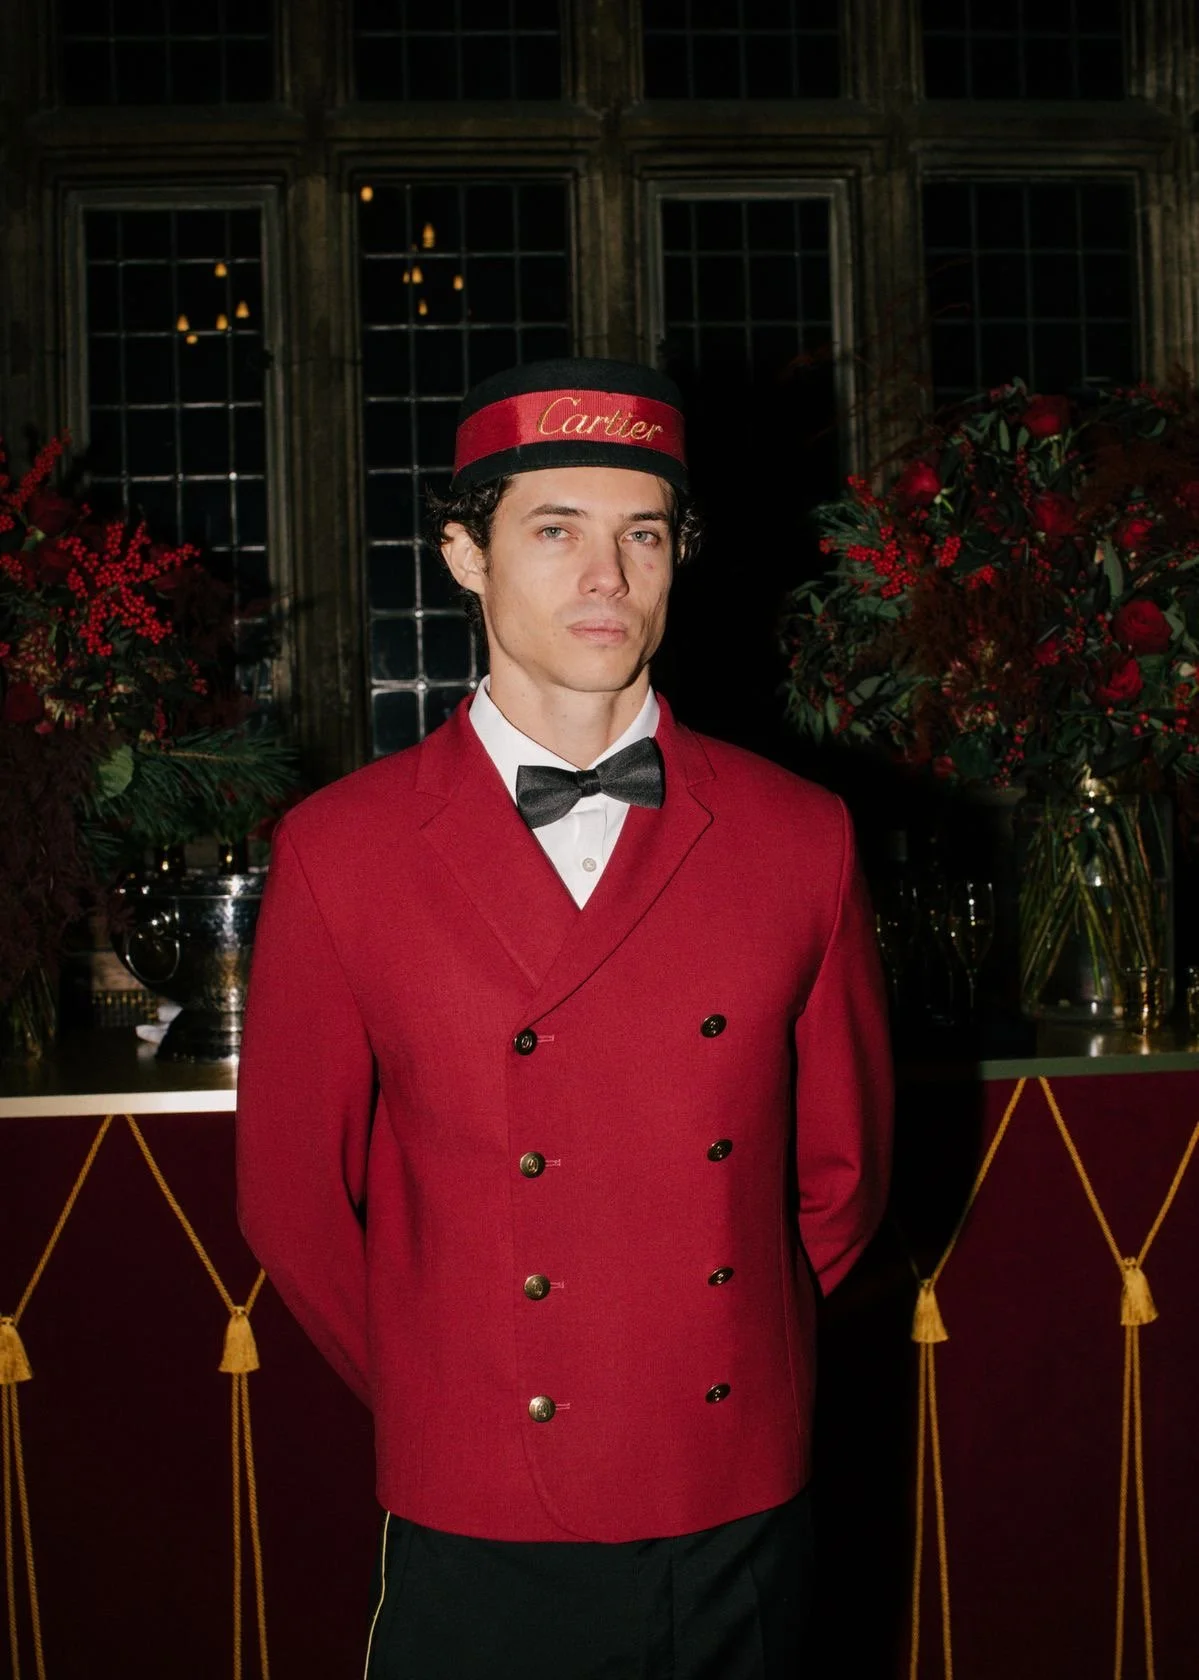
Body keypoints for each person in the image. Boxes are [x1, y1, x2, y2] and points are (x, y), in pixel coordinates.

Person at [236, 357, 893, 1679]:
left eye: (640, 535)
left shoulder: (797, 835)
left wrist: (700, 1347)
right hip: (476, 1498)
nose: (606, 575)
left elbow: (844, 1173)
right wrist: (452, 1385)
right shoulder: (341, 850)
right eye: (556, 531)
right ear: (463, 555)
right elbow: (292, 1200)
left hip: (732, 1495)